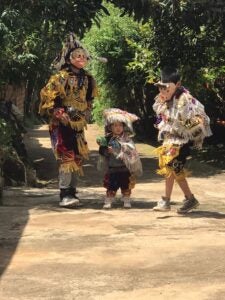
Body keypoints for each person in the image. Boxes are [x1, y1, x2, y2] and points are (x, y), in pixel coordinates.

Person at [39, 33, 97, 208]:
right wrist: (59, 112)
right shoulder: (60, 77)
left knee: (78, 156)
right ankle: (64, 193)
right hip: (62, 122)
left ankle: (72, 192)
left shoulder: (88, 78)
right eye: (77, 55)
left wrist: (87, 111)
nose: (81, 58)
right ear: (69, 58)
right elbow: (52, 97)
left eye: (83, 56)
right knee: (66, 156)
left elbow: (89, 99)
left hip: (78, 122)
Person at [152, 66, 212, 213]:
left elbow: (200, 119)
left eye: (166, 89)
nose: (163, 92)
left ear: (177, 85)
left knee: (174, 169)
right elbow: (161, 114)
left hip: (181, 142)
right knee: (170, 170)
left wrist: (183, 126)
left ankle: (187, 199)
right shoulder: (165, 99)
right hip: (169, 140)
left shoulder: (186, 99)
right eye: (161, 88)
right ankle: (169, 200)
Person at [97, 108, 143, 209]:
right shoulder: (107, 139)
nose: (118, 128)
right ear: (110, 127)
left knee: (126, 185)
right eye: (115, 125)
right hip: (112, 168)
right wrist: (106, 150)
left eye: (120, 125)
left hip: (125, 168)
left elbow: (132, 151)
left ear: (124, 126)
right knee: (111, 186)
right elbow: (102, 152)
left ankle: (126, 200)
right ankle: (109, 200)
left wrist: (124, 149)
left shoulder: (127, 139)